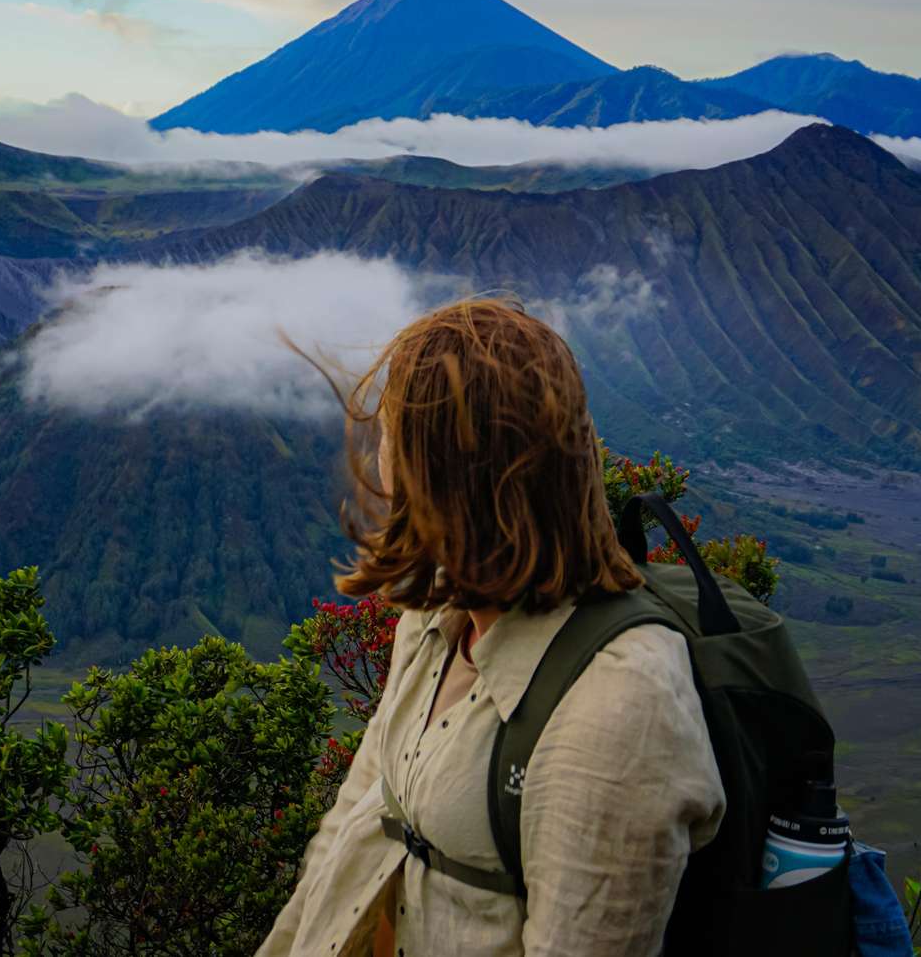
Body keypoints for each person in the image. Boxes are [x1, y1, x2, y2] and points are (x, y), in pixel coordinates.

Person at [262, 298, 723, 957]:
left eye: (394, 433)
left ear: (447, 474)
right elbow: (357, 820)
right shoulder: (434, 621)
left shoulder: (621, 709)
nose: (383, 457)